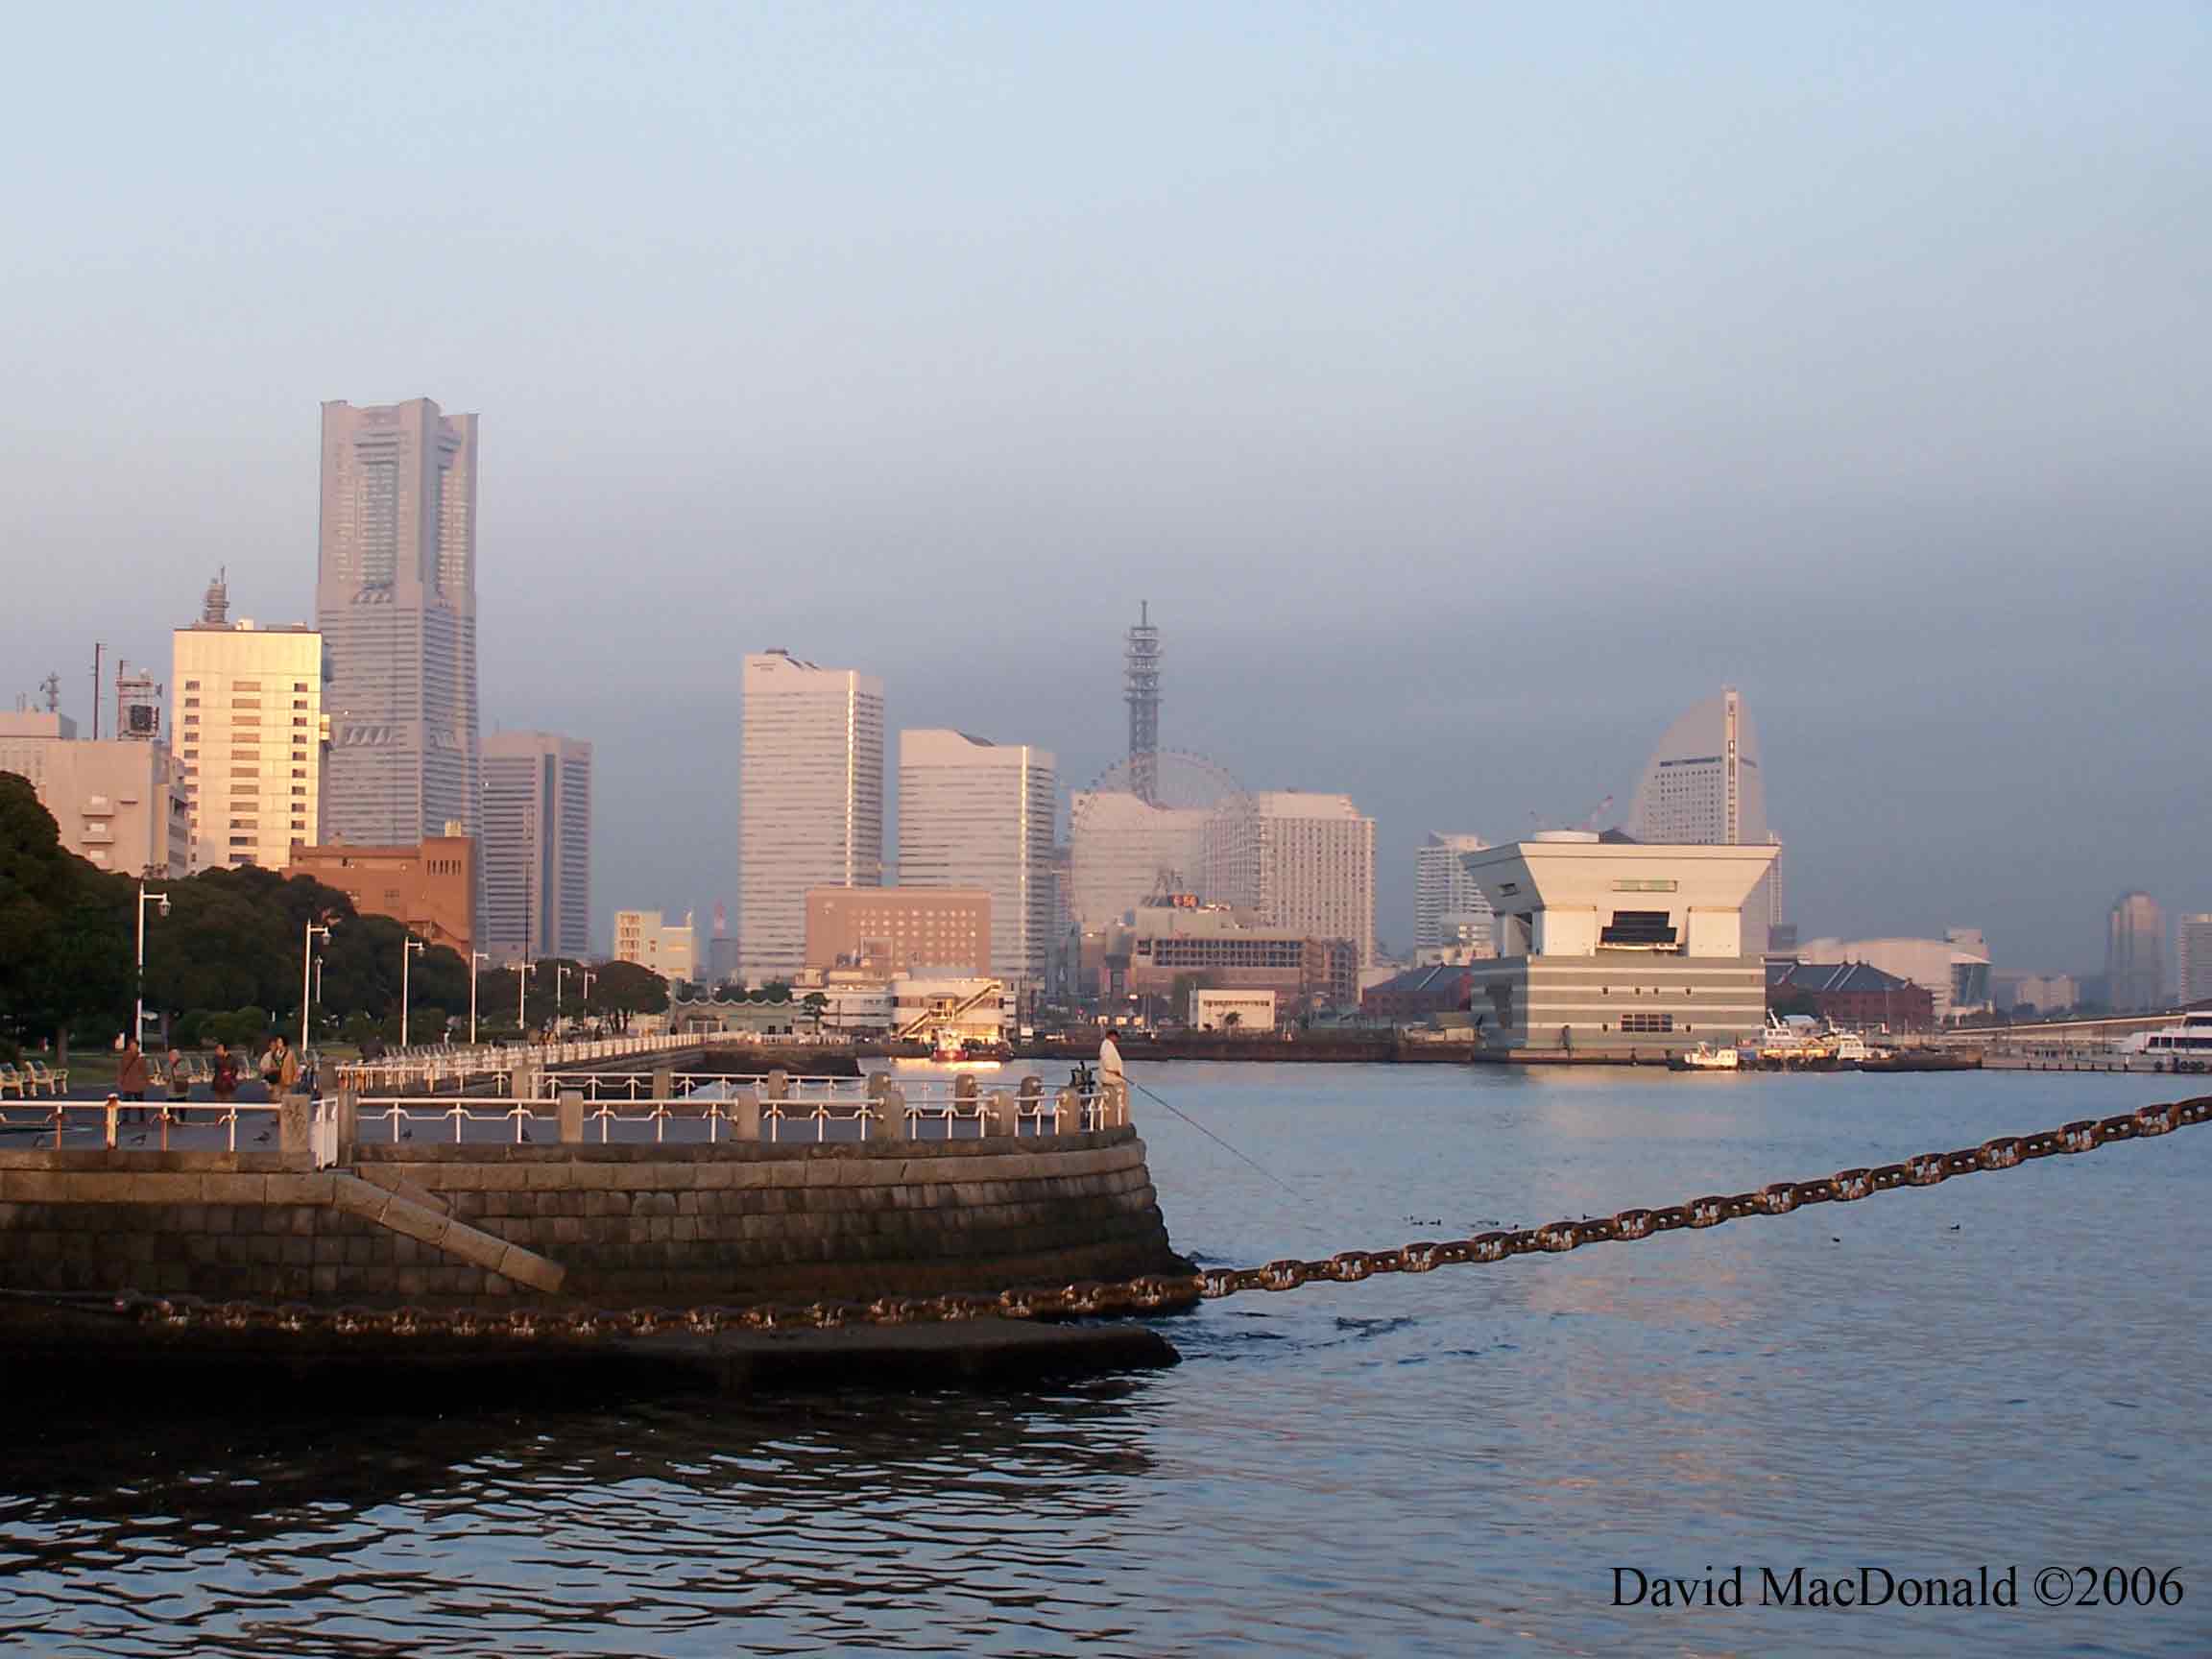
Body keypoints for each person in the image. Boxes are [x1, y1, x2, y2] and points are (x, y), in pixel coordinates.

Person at [116, 1038, 150, 1124]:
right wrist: (120, 1080)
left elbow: (144, 1070)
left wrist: (146, 1081)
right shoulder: (125, 1055)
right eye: (131, 1045)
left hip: (138, 1083)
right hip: (128, 1082)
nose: (132, 1047)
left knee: (140, 1102)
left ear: (137, 1046)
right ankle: (125, 1118)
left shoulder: (141, 1056)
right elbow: (122, 1068)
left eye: (134, 1045)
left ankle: (142, 1118)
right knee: (126, 1102)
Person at [209, 1041, 241, 1107]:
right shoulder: (216, 1058)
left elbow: (235, 1069)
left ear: (224, 1050)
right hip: (218, 1084)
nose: (217, 1051)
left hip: (228, 1084)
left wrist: (230, 1073)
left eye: (219, 1049)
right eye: (217, 1049)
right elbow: (218, 1065)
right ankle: (220, 1117)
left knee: (229, 1105)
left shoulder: (232, 1058)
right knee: (218, 1106)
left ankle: (228, 1116)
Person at [165, 1046, 190, 1116]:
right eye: (170, 1055)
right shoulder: (167, 1065)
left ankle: (182, 1120)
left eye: (172, 1055)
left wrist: (180, 1073)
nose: (170, 1057)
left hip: (181, 1089)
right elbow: (165, 1074)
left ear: (177, 1056)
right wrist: (166, 1077)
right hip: (171, 1089)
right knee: (169, 1107)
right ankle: (170, 1119)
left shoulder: (184, 1063)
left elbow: (188, 1073)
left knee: (182, 1106)